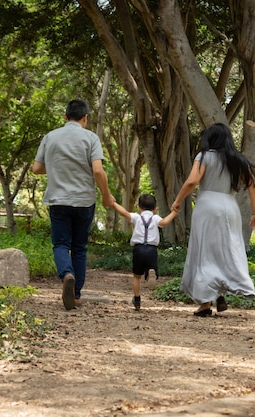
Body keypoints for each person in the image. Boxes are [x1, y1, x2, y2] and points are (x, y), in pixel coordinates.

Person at [32, 99, 115, 311]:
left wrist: (60, 169)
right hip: (84, 201)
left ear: (65, 117)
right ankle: (76, 294)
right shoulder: (91, 138)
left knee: (61, 244)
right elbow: (97, 170)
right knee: (79, 247)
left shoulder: (50, 137)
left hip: (58, 200)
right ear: (85, 118)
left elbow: (37, 168)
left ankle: (66, 274)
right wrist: (106, 195)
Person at [171, 123, 255, 317]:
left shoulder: (204, 156)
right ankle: (224, 291)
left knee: (205, 252)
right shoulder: (238, 159)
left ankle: (204, 303)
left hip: (208, 207)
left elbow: (193, 181)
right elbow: (252, 186)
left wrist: (177, 200)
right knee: (227, 249)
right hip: (230, 207)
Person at [112, 194, 178, 310]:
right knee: (151, 267)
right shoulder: (155, 218)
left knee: (136, 276)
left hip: (138, 249)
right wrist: (174, 212)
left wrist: (113, 203)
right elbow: (164, 222)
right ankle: (150, 273)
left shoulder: (137, 217)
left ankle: (137, 299)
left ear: (138, 207)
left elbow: (124, 213)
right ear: (155, 209)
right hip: (152, 250)